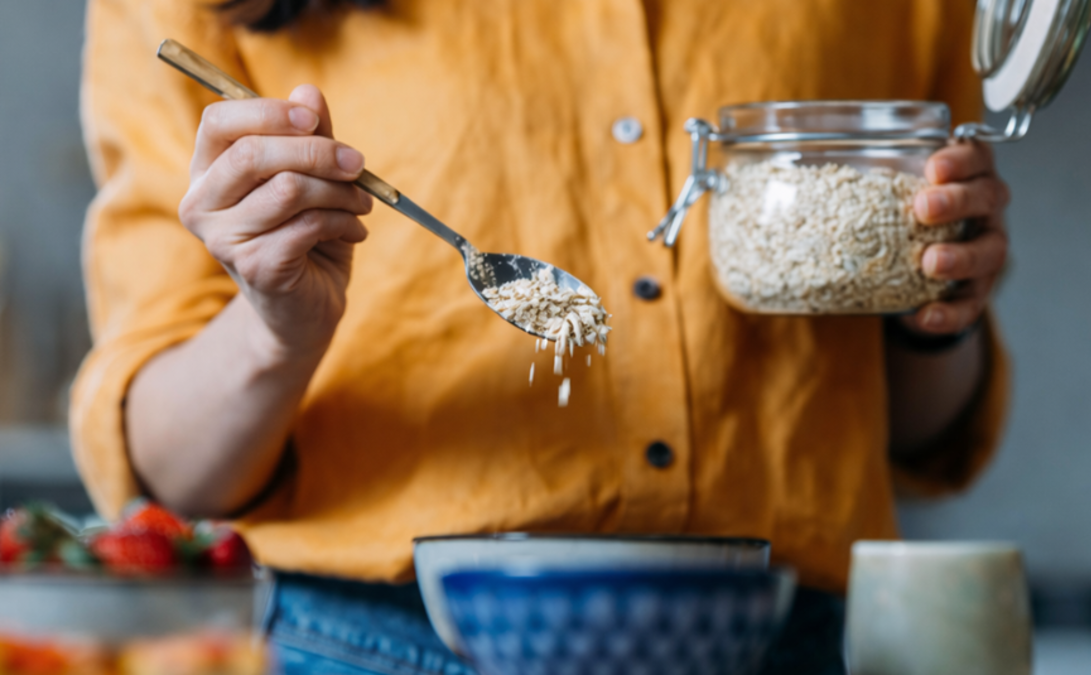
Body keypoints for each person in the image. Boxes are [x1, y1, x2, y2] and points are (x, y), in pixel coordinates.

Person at [73, 0, 1011, 673]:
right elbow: (172, 476)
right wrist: (276, 329)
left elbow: (917, 432)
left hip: (785, 638)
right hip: (382, 645)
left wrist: (933, 305)